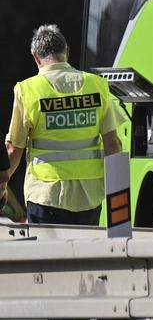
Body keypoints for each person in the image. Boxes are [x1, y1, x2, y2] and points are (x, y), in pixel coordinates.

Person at [1, 25, 122, 225]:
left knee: (49, 255)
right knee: (85, 255)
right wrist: (119, 200)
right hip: (90, 198)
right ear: (67, 51)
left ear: (36, 57)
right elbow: (113, 144)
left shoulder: (28, 90)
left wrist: (2, 185)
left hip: (46, 196)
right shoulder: (97, 85)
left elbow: (14, 149)